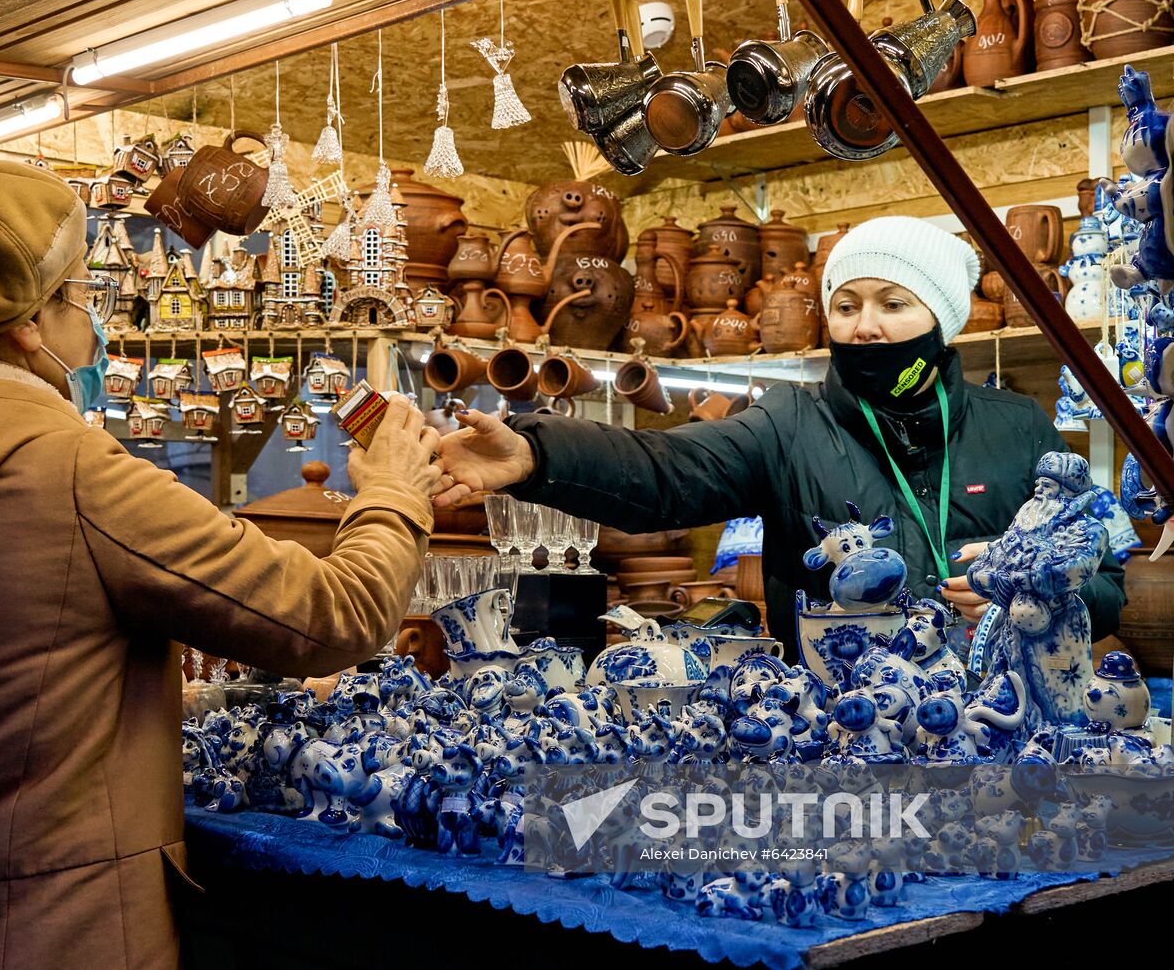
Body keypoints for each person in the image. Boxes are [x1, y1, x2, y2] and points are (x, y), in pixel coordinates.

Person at [0, 161, 439, 970]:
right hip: (37, 934)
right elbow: (334, 616)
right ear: (27, 325)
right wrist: (395, 493)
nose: (94, 329)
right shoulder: (71, 468)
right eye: (86, 297)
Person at [435, 215, 1125, 655]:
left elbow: (1106, 579)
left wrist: (1034, 590)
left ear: (942, 318)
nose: (866, 327)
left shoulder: (1018, 427)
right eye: (847, 306)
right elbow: (665, 471)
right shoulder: (790, 424)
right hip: (839, 735)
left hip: (997, 726)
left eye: (894, 304)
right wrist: (535, 452)